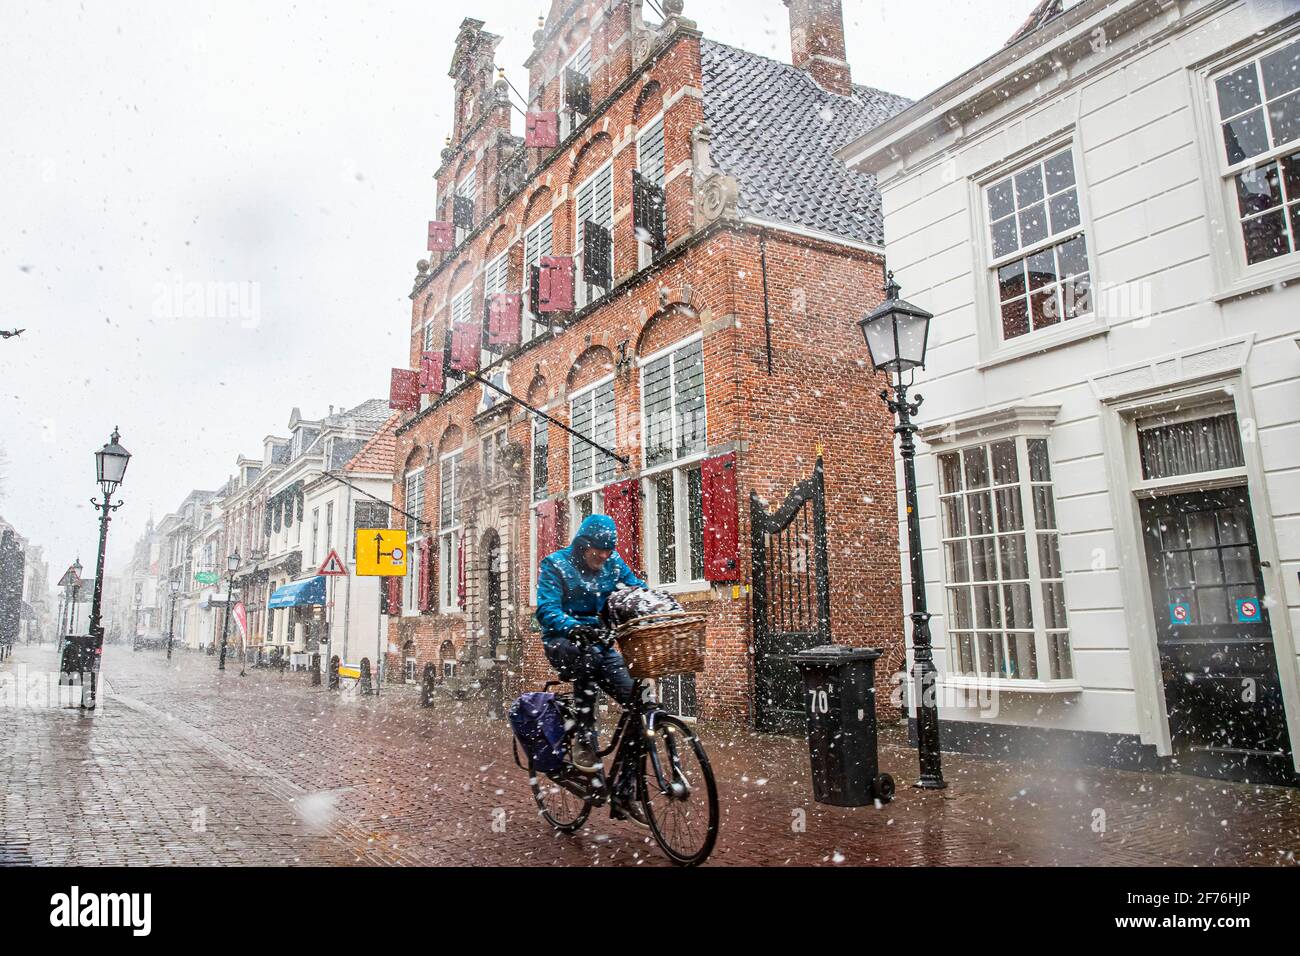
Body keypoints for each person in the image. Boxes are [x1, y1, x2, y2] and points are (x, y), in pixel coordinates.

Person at [536, 514, 645, 780]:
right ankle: (584, 737)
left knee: (639, 704)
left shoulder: (613, 563)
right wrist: (571, 626)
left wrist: (655, 603)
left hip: (599, 643)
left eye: (609, 551)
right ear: (583, 545)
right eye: (599, 551)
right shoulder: (556, 565)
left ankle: (625, 790)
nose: (605, 557)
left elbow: (636, 589)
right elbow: (546, 608)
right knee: (587, 659)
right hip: (562, 642)